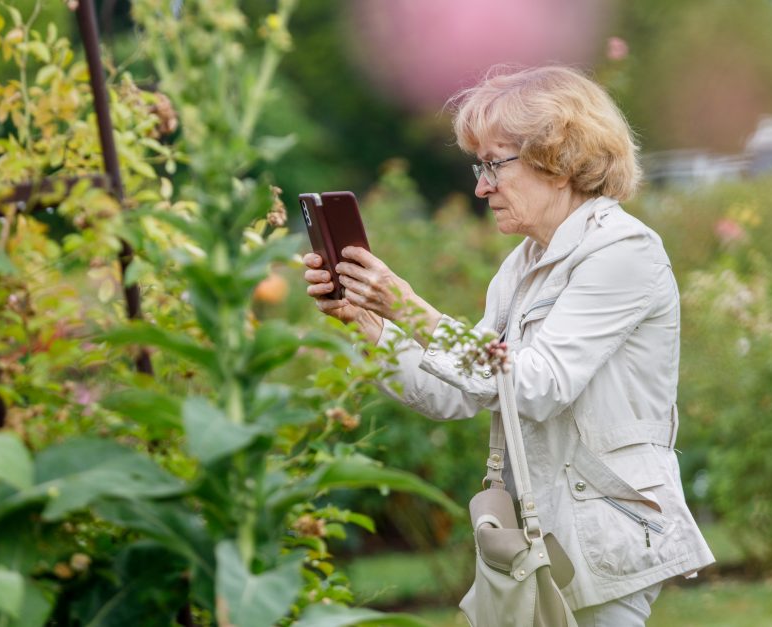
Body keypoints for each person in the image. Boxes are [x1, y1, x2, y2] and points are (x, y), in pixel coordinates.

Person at [302, 65, 715, 626]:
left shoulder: (624, 252)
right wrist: (370, 325)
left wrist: (407, 306)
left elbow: (538, 385)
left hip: (605, 534)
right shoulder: (522, 267)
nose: (480, 186)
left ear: (561, 159)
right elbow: (456, 392)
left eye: (495, 164)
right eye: (480, 165)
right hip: (538, 536)